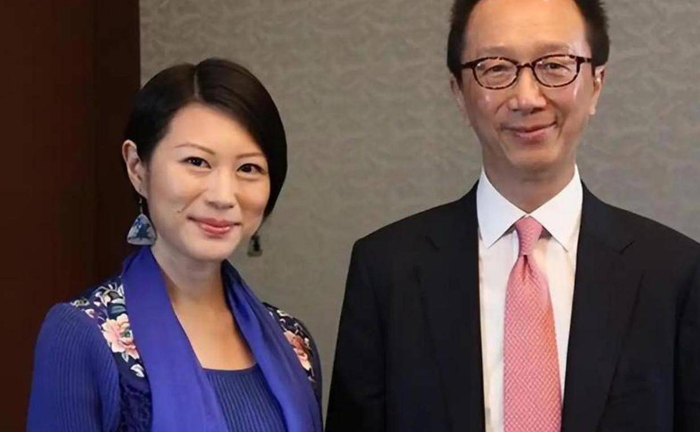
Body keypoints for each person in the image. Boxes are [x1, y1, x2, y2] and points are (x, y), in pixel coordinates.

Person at [326, 0, 700, 431]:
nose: (527, 98)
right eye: (496, 68)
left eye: (555, 65)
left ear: (596, 84)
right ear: (459, 93)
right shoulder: (386, 270)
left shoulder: (674, 273)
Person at [28, 58, 322, 432]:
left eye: (248, 168)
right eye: (197, 162)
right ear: (138, 167)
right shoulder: (82, 333)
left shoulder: (292, 341)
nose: (223, 196)